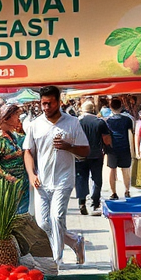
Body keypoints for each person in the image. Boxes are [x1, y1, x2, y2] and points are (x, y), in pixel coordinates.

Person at [23, 85, 88, 266]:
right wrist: (31, 174)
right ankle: (75, 241)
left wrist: (69, 147)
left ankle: (56, 261)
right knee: (43, 223)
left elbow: (85, 151)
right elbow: (27, 151)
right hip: (41, 180)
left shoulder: (72, 123)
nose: (46, 107)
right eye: (43, 104)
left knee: (57, 217)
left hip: (64, 179)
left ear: (59, 103)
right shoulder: (35, 125)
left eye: (49, 104)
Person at [0, 103, 30, 215]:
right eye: (16, 115)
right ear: (7, 117)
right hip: (8, 189)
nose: (18, 118)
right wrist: (10, 178)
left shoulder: (14, 136)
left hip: (20, 187)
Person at [75, 100, 111, 215]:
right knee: (96, 179)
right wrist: (108, 148)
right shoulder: (100, 122)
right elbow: (106, 139)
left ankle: (81, 202)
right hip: (96, 154)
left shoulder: (77, 121)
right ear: (93, 109)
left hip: (80, 154)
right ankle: (95, 203)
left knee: (81, 178)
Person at [104, 97, 135, 200]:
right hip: (125, 146)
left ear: (110, 107)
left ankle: (113, 193)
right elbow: (131, 133)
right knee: (125, 170)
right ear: (121, 106)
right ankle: (127, 190)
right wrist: (133, 150)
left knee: (112, 170)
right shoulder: (127, 119)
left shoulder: (107, 120)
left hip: (112, 148)